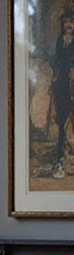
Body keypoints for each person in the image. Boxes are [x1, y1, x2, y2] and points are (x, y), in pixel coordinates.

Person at [50, 9, 74, 179]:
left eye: (70, 22)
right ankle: (60, 161)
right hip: (63, 85)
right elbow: (57, 60)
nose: (68, 26)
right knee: (62, 124)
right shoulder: (60, 41)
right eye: (65, 23)